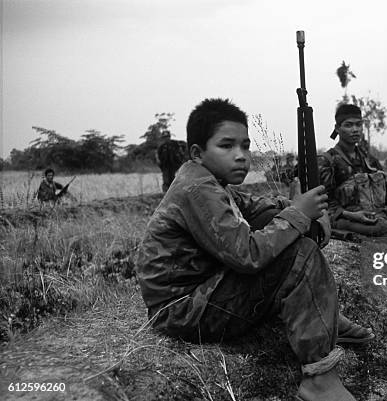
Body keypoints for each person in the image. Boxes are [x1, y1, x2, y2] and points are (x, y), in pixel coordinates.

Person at [136, 98, 371, 401]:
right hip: (182, 310)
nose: (241, 156)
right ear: (198, 152)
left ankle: (320, 318)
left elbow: (253, 206)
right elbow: (248, 255)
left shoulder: (210, 179)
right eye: (227, 146)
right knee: (300, 254)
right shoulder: (197, 188)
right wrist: (299, 215)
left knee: (280, 222)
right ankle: (319, 378)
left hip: (203, 292)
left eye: (245, 146)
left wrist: (295, 207)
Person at [318, 104, 387, 237]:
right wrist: (351, 215)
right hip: (345, 218)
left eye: (358, 125)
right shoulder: (327, 161)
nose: (355, 129)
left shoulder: (369, 160)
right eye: (348, 125)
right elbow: (324, 203)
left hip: (376, 215)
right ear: (337, 129)